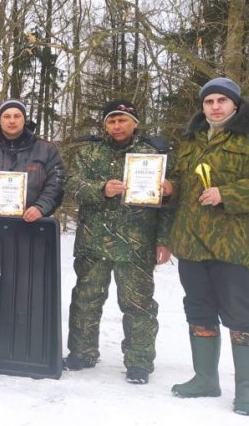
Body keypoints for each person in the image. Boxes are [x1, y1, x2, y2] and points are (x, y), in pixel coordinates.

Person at [63, 99, 173, 384]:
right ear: (104, 125)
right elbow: (71, 186)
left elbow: (168, 203)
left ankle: (138, 362)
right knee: (86, 300)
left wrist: (163, 240)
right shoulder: (89, 152)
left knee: (138, 305)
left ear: (134, 123)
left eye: (122, 120)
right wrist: (101, 189)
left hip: (135, 244)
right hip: (93, 242)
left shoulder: (152, 154)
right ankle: (82, 353)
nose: (116, 126)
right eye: (111, 121)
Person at [167, 77, 249, 415]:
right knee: (198, 310)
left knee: (240, 315)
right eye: (208, 101)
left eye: (221, 101)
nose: (214, 107)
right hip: (191, 242)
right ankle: (205, 378)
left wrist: (226, 194)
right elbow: (181, 179)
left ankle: (245, 389)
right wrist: (168, 186)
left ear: (235, 104)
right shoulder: (192, 140)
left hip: (233, 244)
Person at [0, 99, 65, 242]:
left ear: (24, 119)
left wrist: (41, 208)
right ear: (0, 120)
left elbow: (57, 182)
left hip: (31, 228)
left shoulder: (46, 149)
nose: (12, 121)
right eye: (7, 116)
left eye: (17, 116)